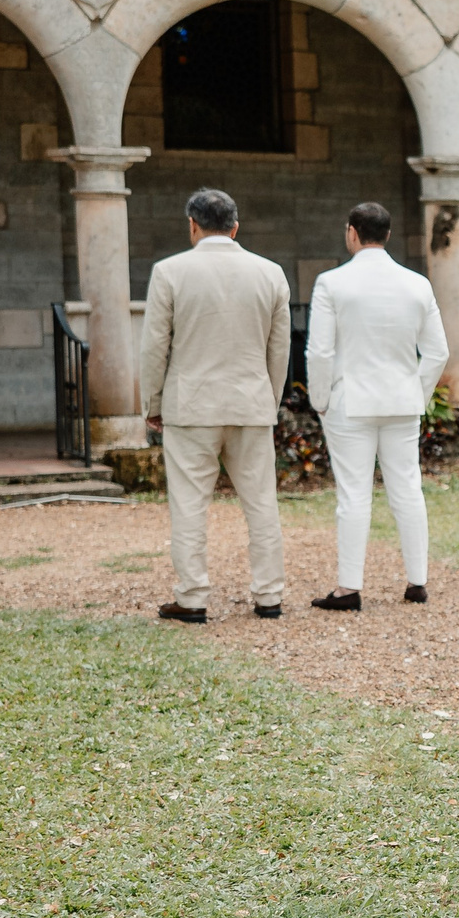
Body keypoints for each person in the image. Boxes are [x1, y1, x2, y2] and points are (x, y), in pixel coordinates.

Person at [139, 187, 291, 623]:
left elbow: (154, 347)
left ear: (192, 225)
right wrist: (270, 399)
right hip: (250, 402)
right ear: (235, 227)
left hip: (191, 406)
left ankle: (192, 598)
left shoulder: (169, 272)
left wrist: (152, 402)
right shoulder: (270, 273)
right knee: (262, 503)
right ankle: (269, 596)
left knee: (188, 505)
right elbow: (278, 350)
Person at [305, 202, 448, 612]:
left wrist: (320, 400)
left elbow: (319, 352)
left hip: (350, 401)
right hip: (402, 402)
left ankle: (349, 587)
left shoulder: (332, 283)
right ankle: (417, 581)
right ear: (387, 235)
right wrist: (416, 394)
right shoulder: (417, 283)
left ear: (352, 232)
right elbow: (438, 352)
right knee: (408, 488)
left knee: (353, 494)